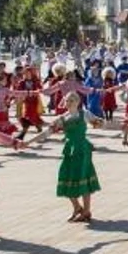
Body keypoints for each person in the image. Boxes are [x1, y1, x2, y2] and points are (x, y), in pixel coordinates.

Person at [36, 92, 104, 224]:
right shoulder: (62, 118)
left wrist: (125, 126)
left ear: (78, 101)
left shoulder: (85, 114)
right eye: (67, 100)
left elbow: (101, 123)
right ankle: (77, 207)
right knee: (66, 177)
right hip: (70, 150)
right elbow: (46, 133)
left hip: (83, 150)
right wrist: (27, 143)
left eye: (72, 100)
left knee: (83, 176)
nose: (69, 103)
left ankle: (86, 211)